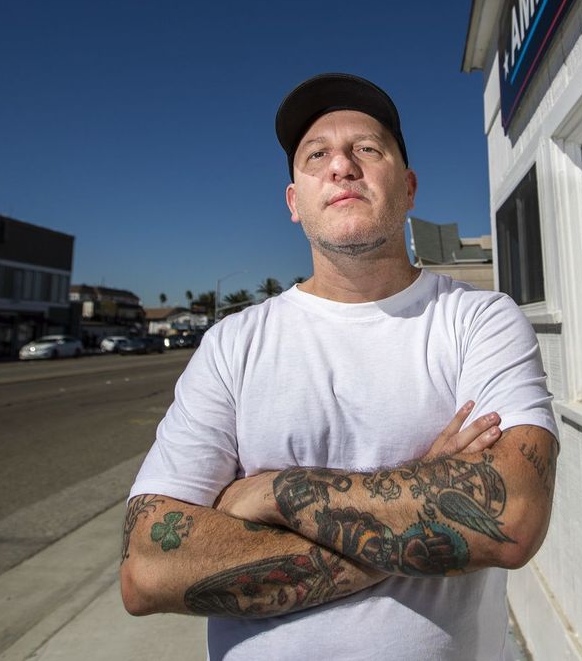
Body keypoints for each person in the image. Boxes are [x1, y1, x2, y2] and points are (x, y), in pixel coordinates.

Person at [120, 73, 558, 660]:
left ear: (408, 187)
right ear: (294, 202)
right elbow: (147, 570)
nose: (342, 165)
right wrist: (426, 488)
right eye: (316, 154)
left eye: (367, 149)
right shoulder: (233, 345)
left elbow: (508, 516)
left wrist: (274, 493)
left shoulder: (479, 320)